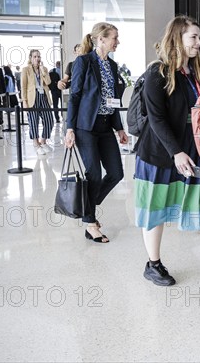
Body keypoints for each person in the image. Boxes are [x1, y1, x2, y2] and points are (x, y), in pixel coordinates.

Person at [134, 15, 200, 288]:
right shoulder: (157, 73)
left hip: (195, 152)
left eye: (199, 37)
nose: (199, 43)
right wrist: (176, 152)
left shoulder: (196, 74)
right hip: (160, 154)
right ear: (177, 38)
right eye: (194, 37)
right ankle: (153, 265)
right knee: (155, 210)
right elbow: (156, 119)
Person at [64, 22, 128, 243]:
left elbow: (113, 101)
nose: (117, 42)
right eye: (114, 38)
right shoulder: (83, 62)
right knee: (93, 173)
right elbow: (74, 96)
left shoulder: (112, 65)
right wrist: (69, 128)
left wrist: (119, 127)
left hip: (105, 126)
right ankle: (90, 222)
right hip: (85, 127)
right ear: (101, 39)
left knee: (116, 173)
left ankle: (86, 208)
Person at [21, 50, 54, 156]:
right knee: (33, 121)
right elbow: (23, 87)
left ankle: (43, 141)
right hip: (32, 98)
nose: (37, 58)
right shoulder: (26, 70)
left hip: (43, 96)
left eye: (39, 56)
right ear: (30, 58)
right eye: (35, 56)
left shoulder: (44, 69)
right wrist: (24, 101)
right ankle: (36, 144)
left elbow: (48, 82)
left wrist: (42, 72)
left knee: (49, 119)